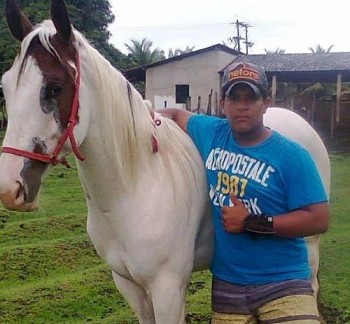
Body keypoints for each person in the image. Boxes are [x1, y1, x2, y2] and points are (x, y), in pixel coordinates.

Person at [158, 62, 329, 323]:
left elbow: (319, 219)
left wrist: (252, 222)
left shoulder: (292, 156)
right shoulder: (212, 133)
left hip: (284, 282)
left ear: (266, 102)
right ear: (223, 103)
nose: (242, 105)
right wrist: (151, 123)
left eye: (251, 97)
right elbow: (177, 115)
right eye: (234, 98)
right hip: (230, 288)